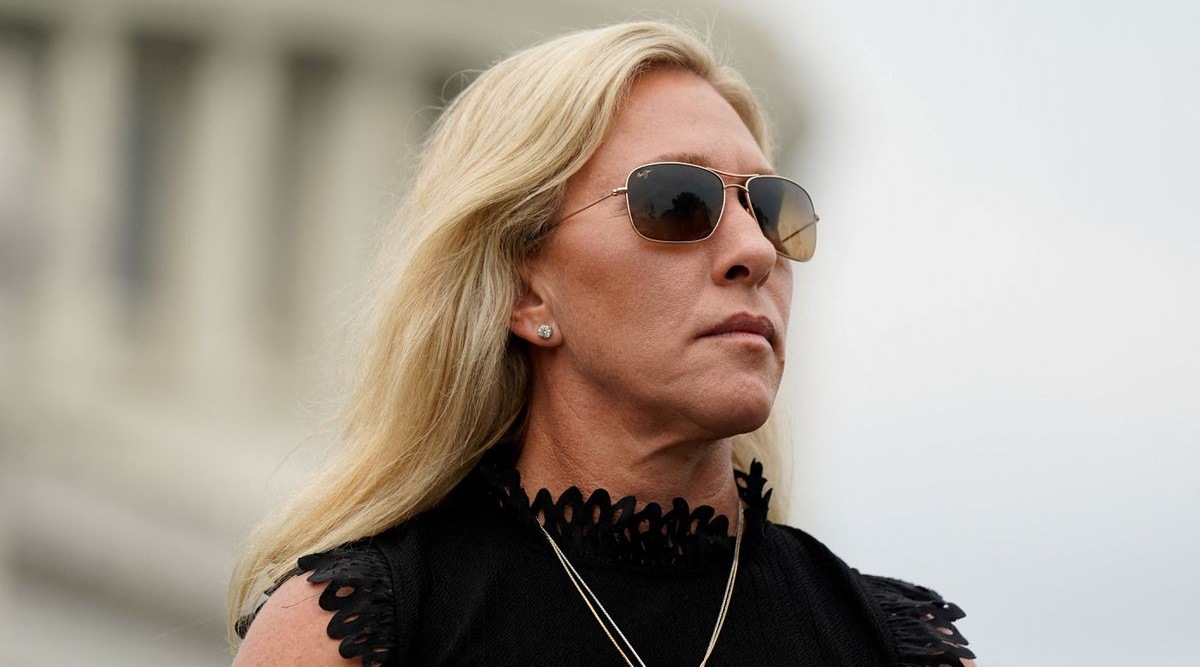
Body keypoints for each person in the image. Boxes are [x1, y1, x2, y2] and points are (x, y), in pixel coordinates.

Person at [228, 21, 974, 666]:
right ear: (525, 292)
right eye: (680, 201)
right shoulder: (353, 632)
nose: (755, 249)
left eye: (774, 208)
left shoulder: (897, 647)